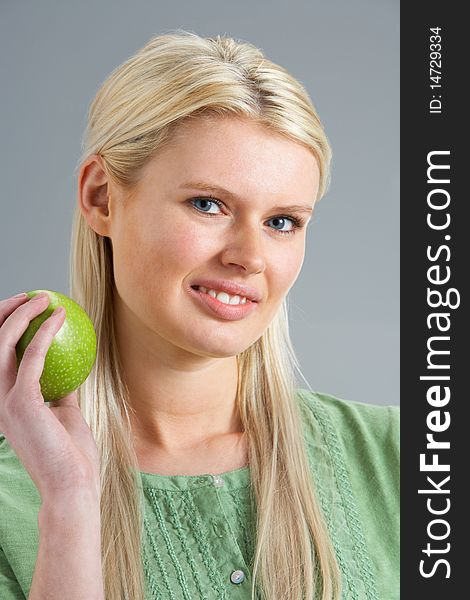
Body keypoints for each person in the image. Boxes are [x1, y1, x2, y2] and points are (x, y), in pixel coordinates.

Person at [0, 30, 399, 600]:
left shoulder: (405, 458)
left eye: (282, 221)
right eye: (208, 204)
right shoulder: (13, 492)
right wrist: (69, 503)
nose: (250, 257)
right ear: (100, 198)